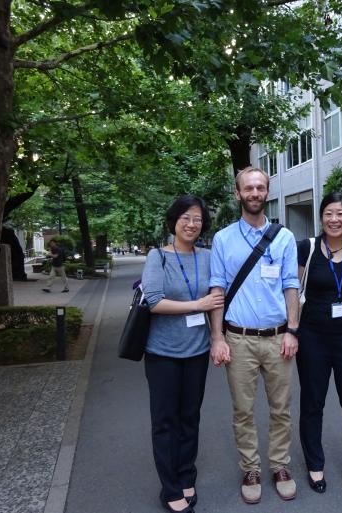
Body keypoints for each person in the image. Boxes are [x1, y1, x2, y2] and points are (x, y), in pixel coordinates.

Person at [209, 166, 300, 505]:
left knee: (281, 408)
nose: (255, 193)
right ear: (238, 194)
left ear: (267, 192)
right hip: (238, 339)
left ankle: (280, 466)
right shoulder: (223, 239)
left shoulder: (285, 237)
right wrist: (217, 338)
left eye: (260, 187)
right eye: (249, 188)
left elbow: (291, 285)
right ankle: (250, 468)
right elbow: (217, 289)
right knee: (243, 410)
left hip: (278, 338)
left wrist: (292, 330)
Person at [141, 195, 225, 513]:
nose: (192, 224)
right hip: (162, 352)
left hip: (196, 351)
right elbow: (153, 300)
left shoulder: (207, 256)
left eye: (198, 219)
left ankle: (187, 473)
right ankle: (170, 486)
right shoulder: (157, 257)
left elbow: (217, 295)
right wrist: (196, 305)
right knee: (165, 421)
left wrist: (217, 336)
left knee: (190, 417)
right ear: (174, 221)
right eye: (186, 218)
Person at [296, 192, 342, 497]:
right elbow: (293, 290)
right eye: (329, 213)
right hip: (312, 337)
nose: (334, 219)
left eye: (341, 213)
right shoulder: (308, 248)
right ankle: (315, 464)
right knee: (312, 403)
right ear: (321, 217)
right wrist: (290, 330)